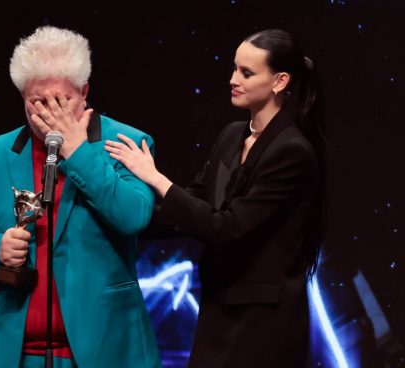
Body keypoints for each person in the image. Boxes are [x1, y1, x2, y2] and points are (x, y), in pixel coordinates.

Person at [105, 29, 325, 368]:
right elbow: (193, 205)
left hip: (263, 324)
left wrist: (155, 177)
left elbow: (226, 226)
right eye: (235, 68)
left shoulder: (292, 152)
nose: (233, 79)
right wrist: (125, 213)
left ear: (280, 81)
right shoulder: (231, 134)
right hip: (218, 309)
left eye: (247, 73)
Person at [0, 26, 162, 368]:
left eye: (62, 101)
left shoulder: (126, 142)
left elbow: (133, 216)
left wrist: (78, 152)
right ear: (21, 98)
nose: (49, 113)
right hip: (19, 353)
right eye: (37, 102)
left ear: (85, 92)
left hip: (105, 351)